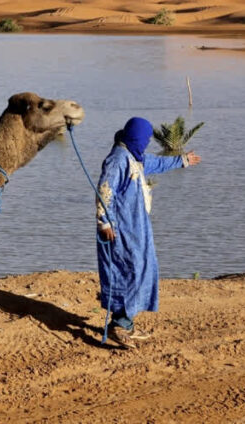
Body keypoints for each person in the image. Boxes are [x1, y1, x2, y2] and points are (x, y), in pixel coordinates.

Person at [95, 117, 200, 348]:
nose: (146, 143)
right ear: (135, 136)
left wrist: (182, 160)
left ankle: (126, 322)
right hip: (120, 227)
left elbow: (155, 163)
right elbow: (105, 189)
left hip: (137, 226)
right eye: (145, 138)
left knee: (142, 268)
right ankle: (120, 324)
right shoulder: (118, 159)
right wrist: (105, 221)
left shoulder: (135, 157)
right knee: (128, 270)